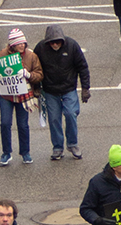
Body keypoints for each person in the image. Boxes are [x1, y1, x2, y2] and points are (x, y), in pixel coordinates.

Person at [32, 23, 90, 161]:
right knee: (54, 119)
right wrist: (35, 87)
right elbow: (35, 68)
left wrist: (85, 88)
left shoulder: (72, 46)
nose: (55, 45)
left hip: (69, 89)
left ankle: (72, 144)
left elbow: (82, 67)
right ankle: (57, 147)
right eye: (52, 42)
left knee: (71, 114)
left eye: (57, 42)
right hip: (50, 91)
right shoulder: (40, 48)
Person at [0, 24, 40, 166]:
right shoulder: (1, 55)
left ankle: (25, 153)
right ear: (12, 45)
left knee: (23, 125)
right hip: (5, 95)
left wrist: (28, 75)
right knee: (5, 123)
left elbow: (39, 74)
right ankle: (6, 153)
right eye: (18, 44)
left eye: (23, 43)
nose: (22, 46)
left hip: (23, 96)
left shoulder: (31, 56)